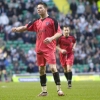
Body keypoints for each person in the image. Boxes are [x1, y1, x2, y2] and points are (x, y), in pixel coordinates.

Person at [12, 2, 64, 96]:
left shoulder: (52, 21)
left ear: (45, 8)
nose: (38, 9)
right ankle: (44, 91)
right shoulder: (36, 22)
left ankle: (59, 90)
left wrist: (51, 38)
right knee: (41, 70)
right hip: (39, 49)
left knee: (53, 68)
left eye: (40, 8)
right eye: (37, 8)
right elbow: (25, 27)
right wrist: (17, 29)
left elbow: (60, 33)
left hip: (49, 49)